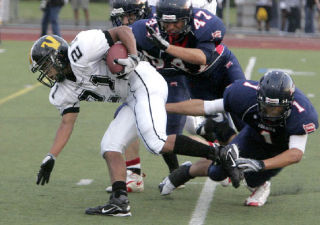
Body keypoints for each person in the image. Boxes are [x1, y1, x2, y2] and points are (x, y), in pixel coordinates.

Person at [30, 28, 241, 216]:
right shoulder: (63, 90)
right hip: (130, 97)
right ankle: (119, 201)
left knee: (155, 142)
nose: (45, 73)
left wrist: (132, 56)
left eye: (45, 66)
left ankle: (220, 154)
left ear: (57, 57)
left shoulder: (82, 48)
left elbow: (122, 31)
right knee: (110, 146)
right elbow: (67, 122)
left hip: (143, 81)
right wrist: (51, 156)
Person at [106, 0, 225, 193]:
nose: (125, 21)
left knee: (170, 132)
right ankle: (134, 174)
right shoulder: (137, 29)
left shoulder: (166, 22)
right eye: (121, 17)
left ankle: (220, 155)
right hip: (151, 80)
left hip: (177, 77)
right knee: (128, 117)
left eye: (130, 16)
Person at [161, 71, 319, 207]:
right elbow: (204, 106)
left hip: (278, 148)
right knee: (218, 172)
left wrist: (260, 164)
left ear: (289, 103)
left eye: (276, 108)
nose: (271, 113)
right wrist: (165, 108)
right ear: (258, 97)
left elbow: (295, 154)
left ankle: (261, 185)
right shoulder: (244, 95)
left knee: (252, 179)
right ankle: (186, 172)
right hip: (253, 135)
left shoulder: (302, 114)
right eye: (267, 106)